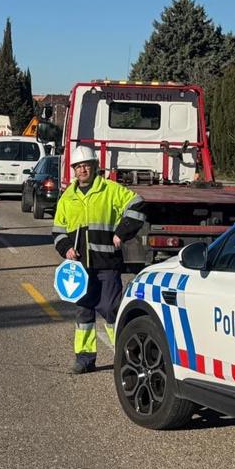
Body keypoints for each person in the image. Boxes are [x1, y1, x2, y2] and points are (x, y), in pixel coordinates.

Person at [52, 145, 147, 374]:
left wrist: (122, 233)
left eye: (86, 165)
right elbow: (58, 229)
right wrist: (65, 249)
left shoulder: (110, 190)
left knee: (112, 310)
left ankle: (124, 357)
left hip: (107, 264)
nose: (82, 170)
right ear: (73, 170)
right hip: (81, 269)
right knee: (84, 312)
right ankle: (84, 359)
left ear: (94, 167)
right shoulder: (68, 197)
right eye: (78, 166)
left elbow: (137, 204)